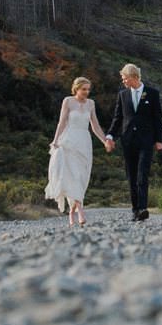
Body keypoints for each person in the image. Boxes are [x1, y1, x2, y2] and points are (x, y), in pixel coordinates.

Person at [45, 76, 108, 227]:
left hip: (84, 142)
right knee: (72, 175)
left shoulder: (91, 104)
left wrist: (105, 140)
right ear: (76, 89)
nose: (87, 92)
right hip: (69, 141)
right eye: (83, 89)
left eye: (88, 89)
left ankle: (72, 211)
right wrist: (55, 140)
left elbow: (95, 125)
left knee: (81, 177)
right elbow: (62, 122)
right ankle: (80, 211)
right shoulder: (68, 101)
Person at [105, 63, 162, 222]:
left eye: (125, 78)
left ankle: (143, 208)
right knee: (131, 175)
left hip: (146, 140)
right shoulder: (123, 95)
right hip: (128, 140)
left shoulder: (152, 94)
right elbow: (118, 118)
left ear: (135, 77)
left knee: (142, 174)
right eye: (122, 79)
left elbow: (157, 118)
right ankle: (135, 209)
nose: (123, 81)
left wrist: (159, 139)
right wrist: (110, 135)